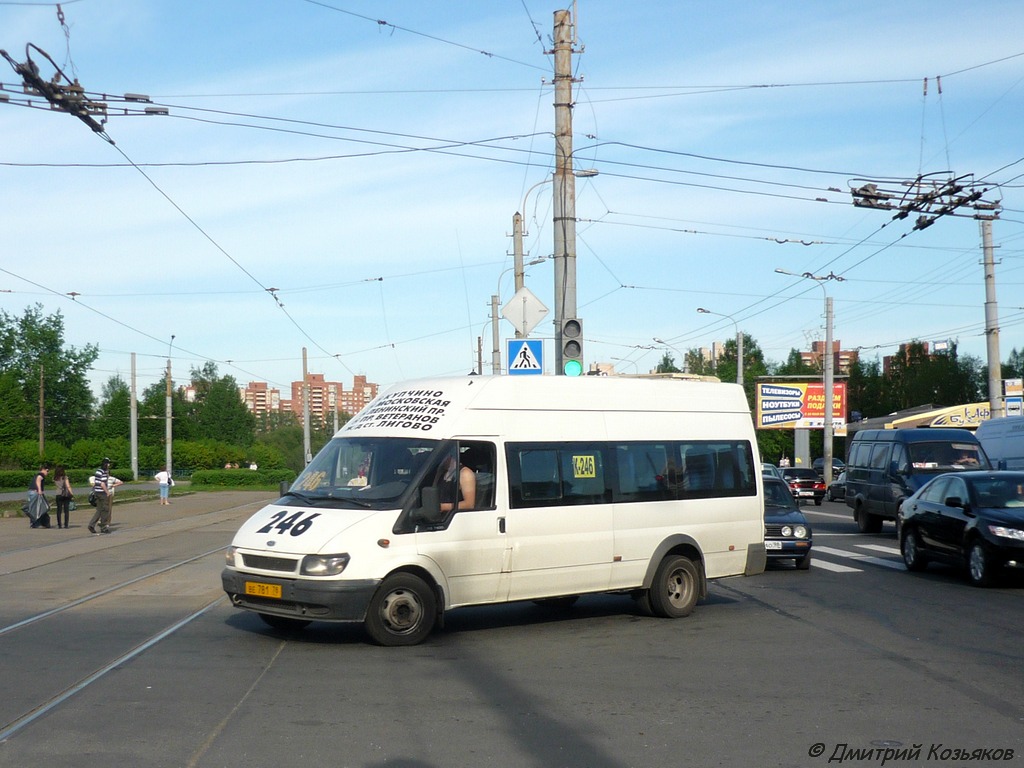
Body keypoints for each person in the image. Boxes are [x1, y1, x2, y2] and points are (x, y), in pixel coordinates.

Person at [88, 458, 114, 535]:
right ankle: (103, 527)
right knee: (105, 510)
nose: (109, 465)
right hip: (103, 493)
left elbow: (97, 482)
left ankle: (91, 525)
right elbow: (102, 484)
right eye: (108, 463)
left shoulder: (98, 471)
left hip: (97, 492)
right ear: (106, 464)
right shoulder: (104, 472)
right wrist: (107, 492)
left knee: (99, 510)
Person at [26, 463, 51, 529]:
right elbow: (38, 480)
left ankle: (33, 523)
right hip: (35, 492)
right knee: (37, 509)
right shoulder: (41, 475)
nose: (47, 473)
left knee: (33, 508)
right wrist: (39, 490)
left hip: (31, 491)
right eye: (47, 471)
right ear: (45, 470)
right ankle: (37, 524)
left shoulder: (37, 474)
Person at [53, 465, 74, 529]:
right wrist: (71, 494)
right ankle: (66, 524)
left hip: (58, 494)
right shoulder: (65, 477)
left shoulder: (55, 478)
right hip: (65, 494)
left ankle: (59, 524)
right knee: (66, 510)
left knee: (59, 510)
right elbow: (68, 486)